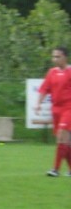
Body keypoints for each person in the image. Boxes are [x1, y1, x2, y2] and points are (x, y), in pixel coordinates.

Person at [34, 46, 71, 177]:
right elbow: (45, 89)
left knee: (62, 136)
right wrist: (38, 104)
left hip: (69, 108)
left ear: (65, 57)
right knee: (64, 141)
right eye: (53, 56)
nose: (54, 59)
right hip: (56, 109)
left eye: (58, 56)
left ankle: (55, 169)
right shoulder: (52, 72)